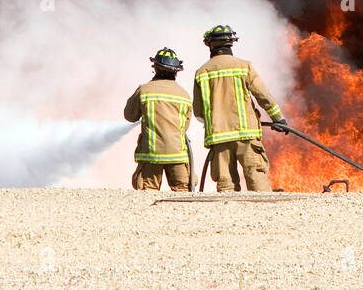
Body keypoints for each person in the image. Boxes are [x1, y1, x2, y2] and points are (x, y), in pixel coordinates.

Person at [192, 24, 288, 192]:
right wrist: (278, 119)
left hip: (219, 138)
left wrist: (214, 120)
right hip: (247, 135)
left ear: (209, 44)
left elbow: (198, 112)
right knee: (256, 178)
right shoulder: (244, 66)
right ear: (231, 43)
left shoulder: (202, 72)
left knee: (226, 184)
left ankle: (230, 218)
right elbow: (263, 95)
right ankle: (264, 214)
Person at [123, 48, 193, 191]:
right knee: (184, 194)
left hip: (151, 155)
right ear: (176, 71)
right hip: (177, 155)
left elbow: (130, 116)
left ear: (155, 68)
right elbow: (184, 126)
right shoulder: (184, 95)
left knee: (147, 193)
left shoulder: (144, 90)